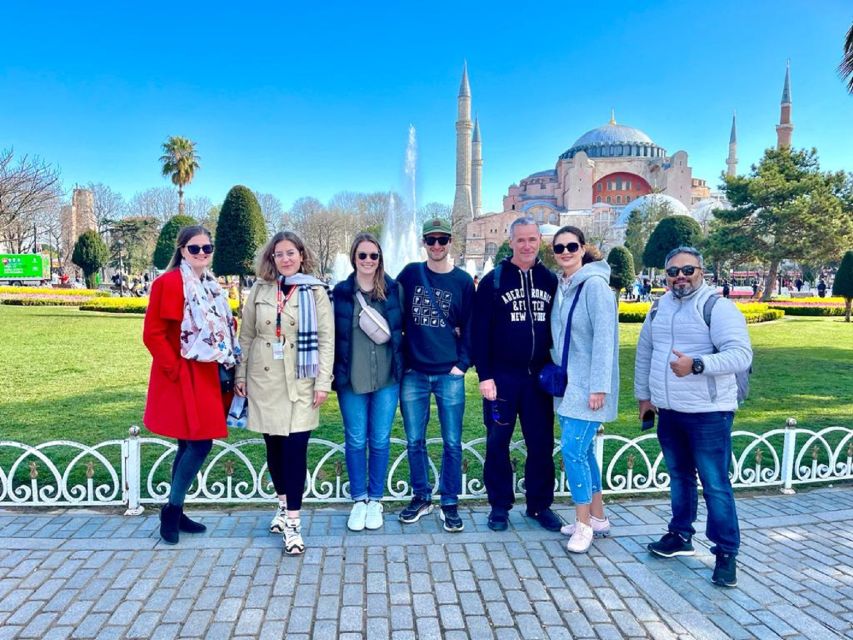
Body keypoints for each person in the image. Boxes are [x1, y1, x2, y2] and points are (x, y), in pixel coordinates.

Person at [634, 246, 752, 587]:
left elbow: (741, 355)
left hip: (708, 413)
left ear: (701, 272)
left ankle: (726, 552)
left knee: (715, 485)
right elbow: (645, 353)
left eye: (688, 270)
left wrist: (697, 365)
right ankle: (680, 535)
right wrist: (645, 397)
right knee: (680, 478)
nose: (680, 277)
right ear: (665, 276)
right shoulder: (658, 308)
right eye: (673, 272)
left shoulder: (717, 307)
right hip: (670, 411)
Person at [235, 231, 334, 555]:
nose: (286, 258)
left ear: (302, 255)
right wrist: (240, 374)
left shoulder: (316, 291)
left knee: (295, 451)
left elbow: (326, 339)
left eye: (291, 253)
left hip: (301, 379)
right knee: (274, 449)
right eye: (279, 254)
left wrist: (322, 382)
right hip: (264, 380)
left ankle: (293, 524)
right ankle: (281, 504)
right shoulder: (261, 289)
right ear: (271, 258)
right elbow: (246, 335)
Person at [142, 225, 240, 544]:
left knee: (189, 443)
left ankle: (177, 509)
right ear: (182, 250)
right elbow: (153, 333)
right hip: (184, 375)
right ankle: (171, 510)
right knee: (199, 443)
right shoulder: (169, 282)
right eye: (194, 248)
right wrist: (175, 370)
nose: (201, 254)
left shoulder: (210, 285)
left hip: (207, 374)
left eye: (206, 249)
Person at [473, 216, 560, 532]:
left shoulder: (549, 280)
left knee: (541, 444)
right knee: (498, 442)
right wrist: (485, 375)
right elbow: (479, 333)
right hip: (503, 379)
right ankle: (499, 506)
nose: (526, 245)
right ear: (511, 242)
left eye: (532, 239)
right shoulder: (494, 281)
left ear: (539, 241)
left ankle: (539, 505)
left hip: (538, 379)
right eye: (520, 240)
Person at [396, 217, 475, 532]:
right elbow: (390, 307)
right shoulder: (412, 273)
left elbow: (472, 327)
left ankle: (450, 501)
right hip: (414, 373)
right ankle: (421, 496)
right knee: (414, 440)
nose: (437, 245)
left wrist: (462, 364)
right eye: (431, 240)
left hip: (449, 373)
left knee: (452, 441)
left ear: (451, 241)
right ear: (423, 243)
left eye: (443, 239)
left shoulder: (463, 281)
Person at [548, 226, 619, 553]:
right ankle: (598, 516)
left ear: (583, 248)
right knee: (585, 451)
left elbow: (606, 340)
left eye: (571, 246)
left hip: (589, 387)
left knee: (573, 452)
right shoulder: (564, 286)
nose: (565, 252)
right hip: (568, 384)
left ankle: (583, 524)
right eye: (559, 247)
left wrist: (599, 387)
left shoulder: (595, 287)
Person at [332, 233, 403, 532]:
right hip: (352, 379)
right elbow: (331, 334)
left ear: (380, 258)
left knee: (380, 439)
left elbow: (405, 328)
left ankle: (376, 498)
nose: (368, 261)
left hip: (387, 377)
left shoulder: (393, 289)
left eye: (374, 256)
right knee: (356, 440)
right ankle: (358, 499)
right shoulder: (341, 292)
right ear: (353, 258)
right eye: (363, 255)